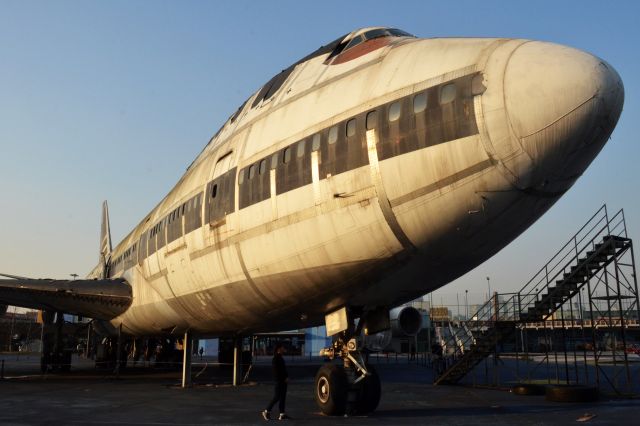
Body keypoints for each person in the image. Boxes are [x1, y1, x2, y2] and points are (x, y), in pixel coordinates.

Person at [262, 343, 290, 420]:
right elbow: (276, 371)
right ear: (279, 349)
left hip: (283, 381)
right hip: (279, 381)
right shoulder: (276, 358)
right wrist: (283, 378)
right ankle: (266, 411)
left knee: (282, 397)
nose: (284, 349)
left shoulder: (280, 357)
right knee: (277, 397)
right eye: (282, 347)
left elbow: (284, 370)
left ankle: (282, 414)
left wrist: (287, 377)